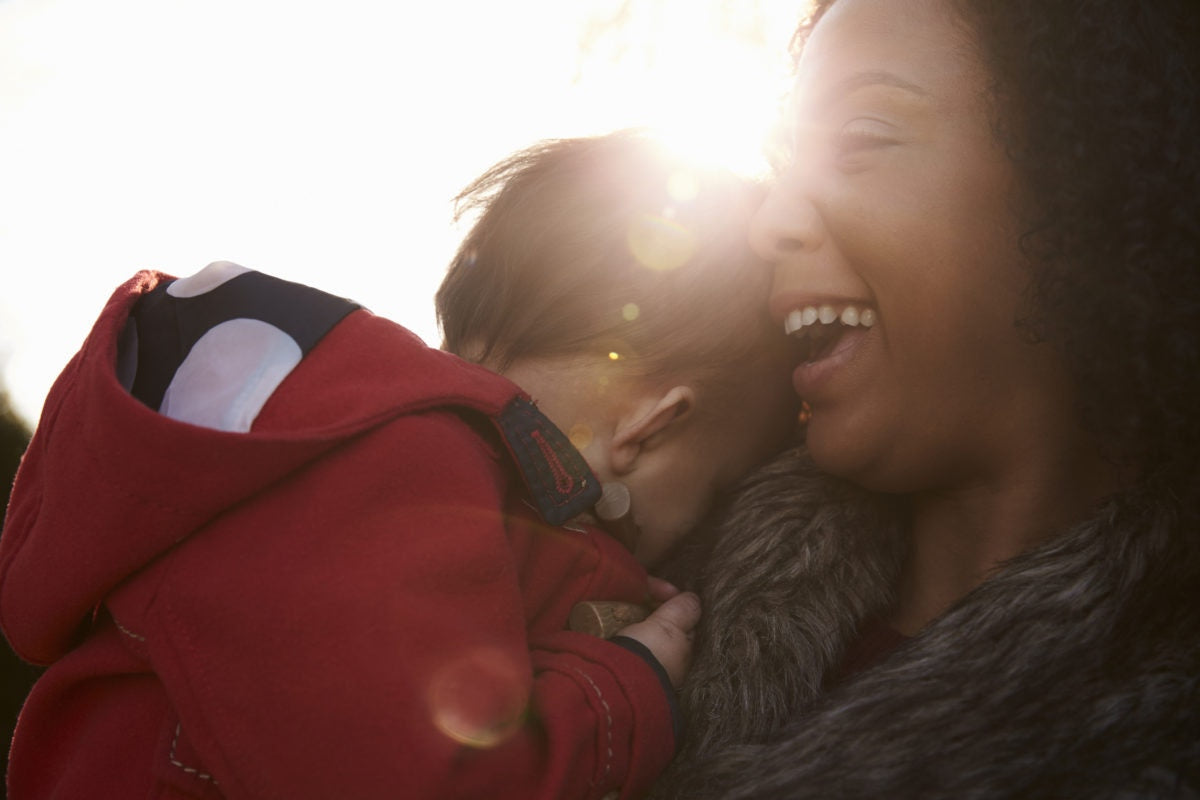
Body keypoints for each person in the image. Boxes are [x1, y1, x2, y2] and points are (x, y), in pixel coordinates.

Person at [0, 131, 799, 799]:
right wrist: (623, 689)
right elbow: (417, 779)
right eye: (718, 488)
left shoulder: (343, 452)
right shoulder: (409, 470)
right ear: (652, 429)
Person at [651, 1, 1200, 798]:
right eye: (780, 169)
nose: (767, 224)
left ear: (1088, 181)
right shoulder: (636, 588)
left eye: (863, 139)